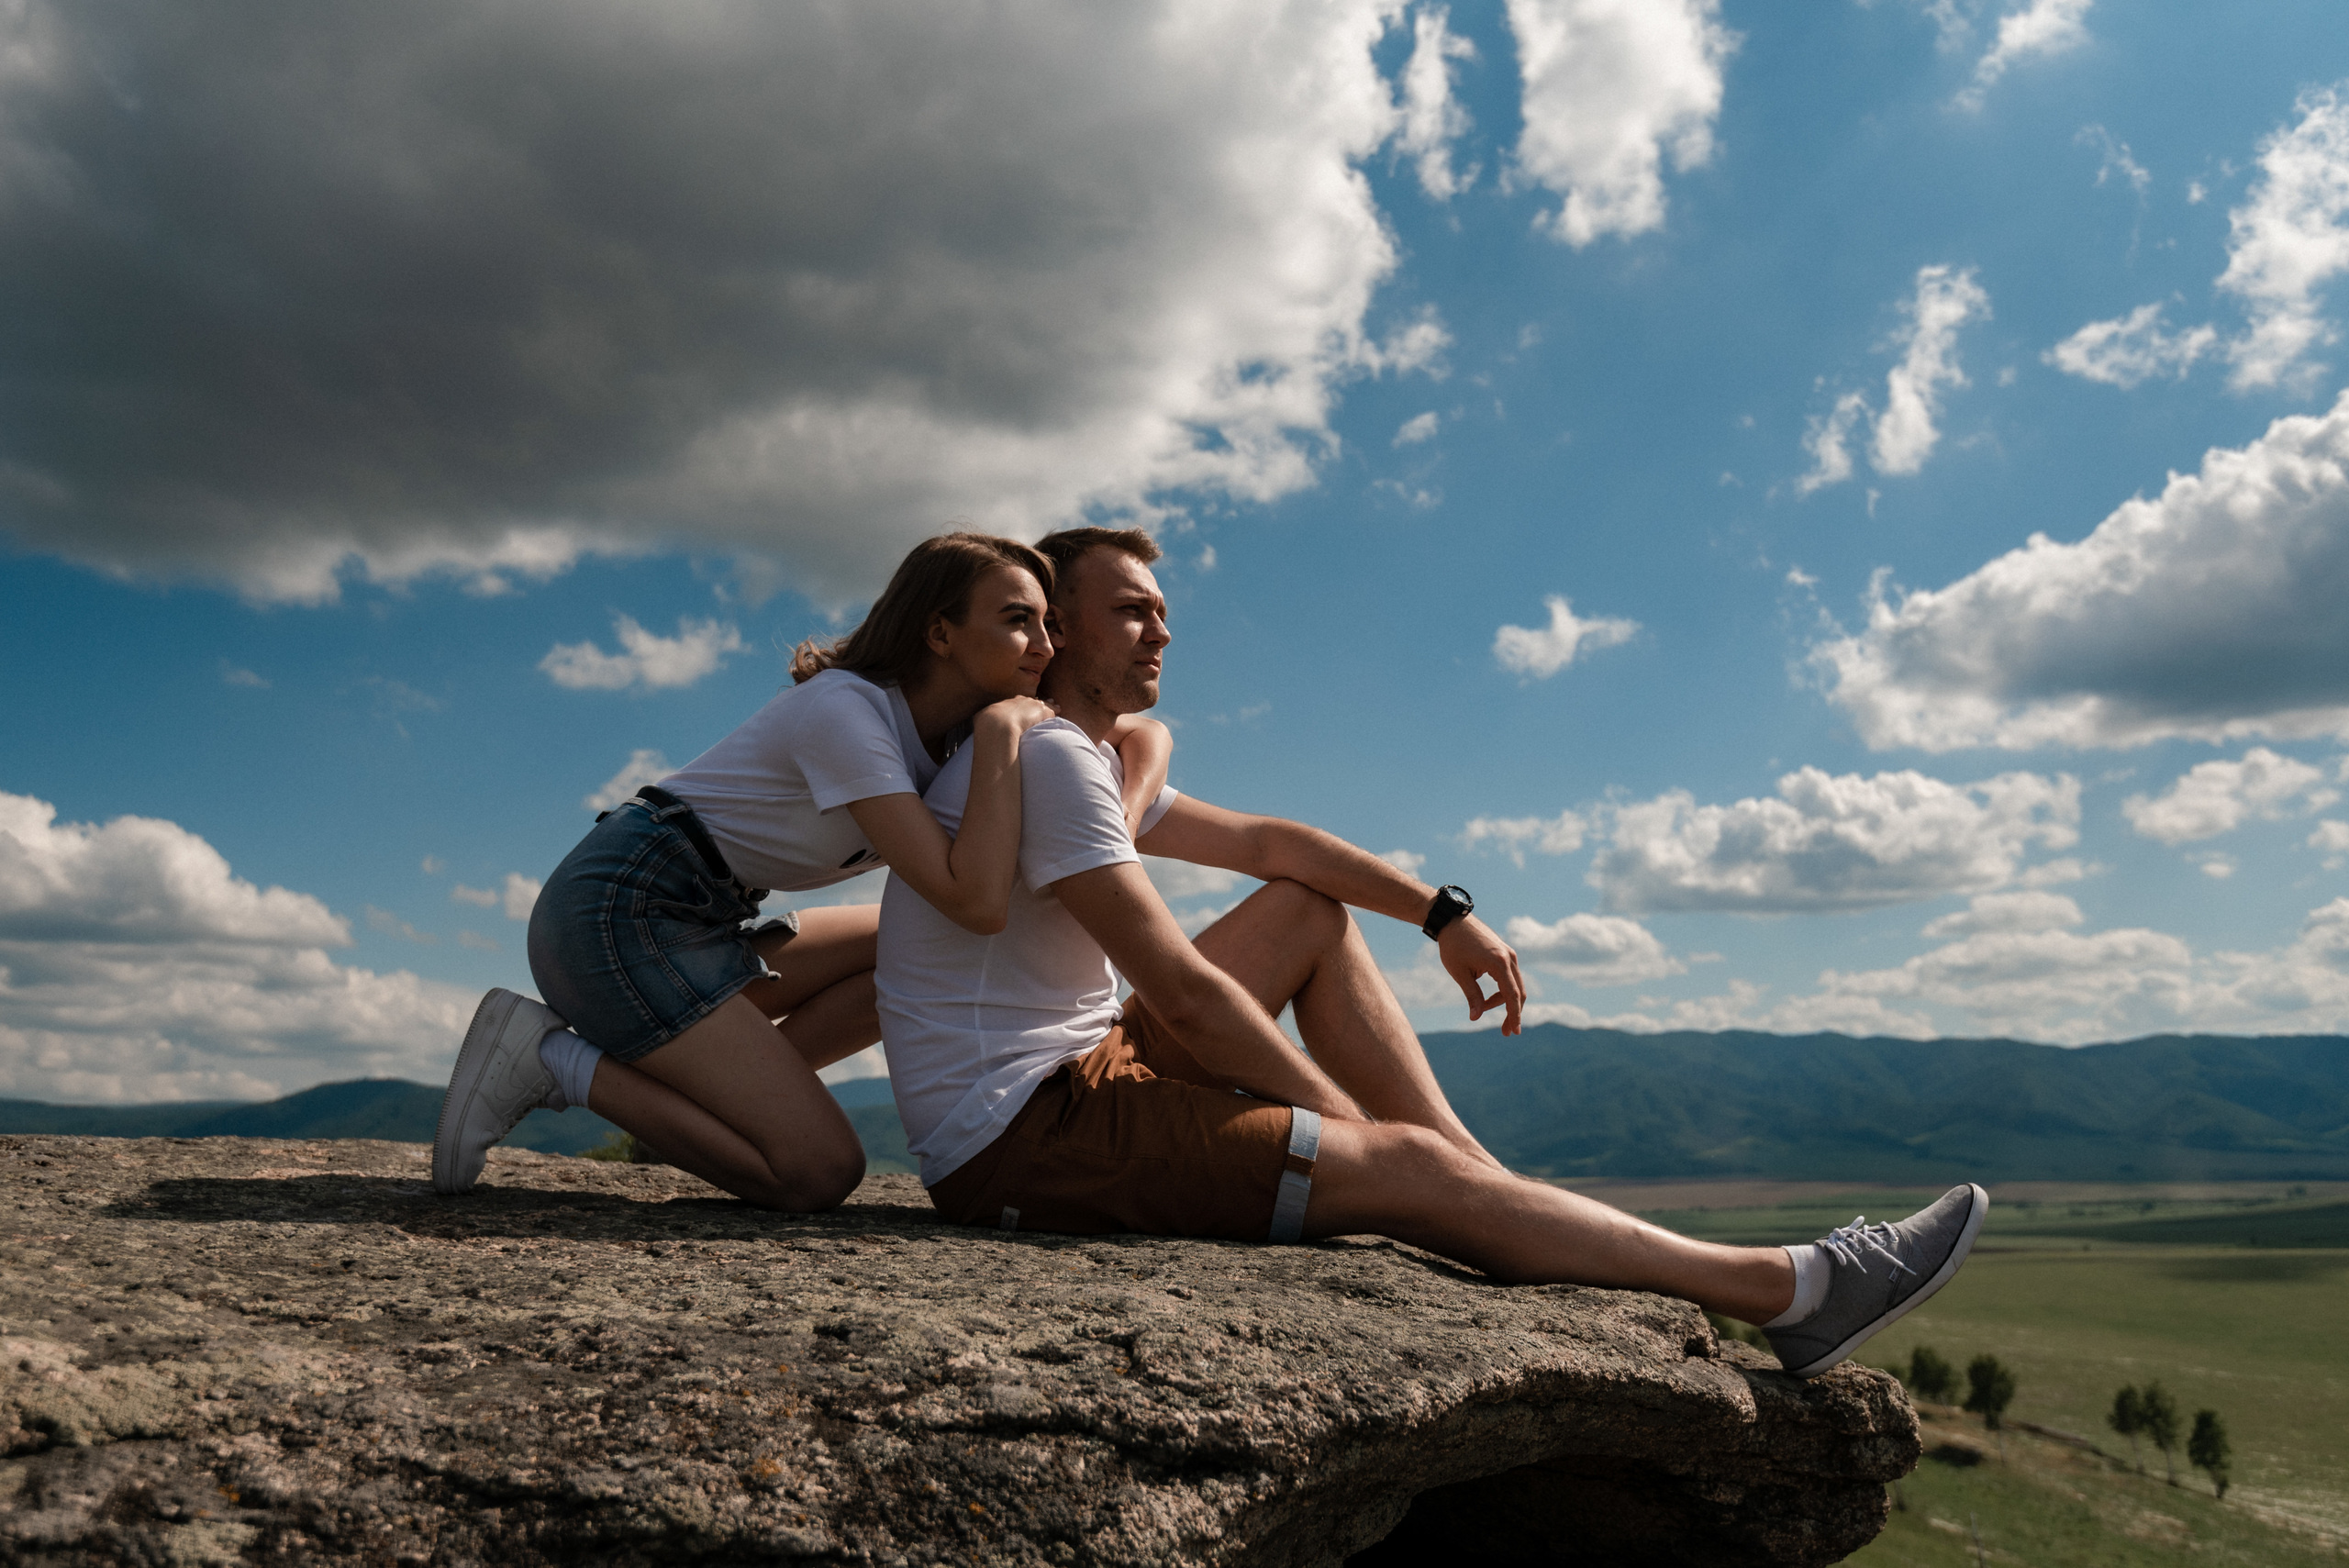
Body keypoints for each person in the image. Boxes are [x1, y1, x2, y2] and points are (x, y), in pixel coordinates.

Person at [875, 526, 1986, 1375]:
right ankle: (1792, 1291)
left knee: (1307, 911)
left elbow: (1271, 847)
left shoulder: (1073, 754)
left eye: (1163, 611)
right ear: (1056, 631)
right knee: (1406, 1170)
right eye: (1131, 611)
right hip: (1026, 1138)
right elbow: (1189, 997)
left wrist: (1444, 913)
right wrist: (1359, 1134)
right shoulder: (1054, 760)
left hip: (1078, 1075)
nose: (1162, 631)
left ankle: (1487, 1191)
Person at [429, 531, 1172, 1210]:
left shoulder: (948, 740)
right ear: (940, 632)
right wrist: (1004, 730)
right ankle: (552, 1061)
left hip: (707, 916)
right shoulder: (848, 712)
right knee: (819, 1169)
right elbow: (973, 904)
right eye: (1019, 621)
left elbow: (1140, 733)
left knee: (912, 962)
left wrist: (1133, 773)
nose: (1046, 644)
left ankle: (715, 1105)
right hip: (619, 912)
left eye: (1048, 624)